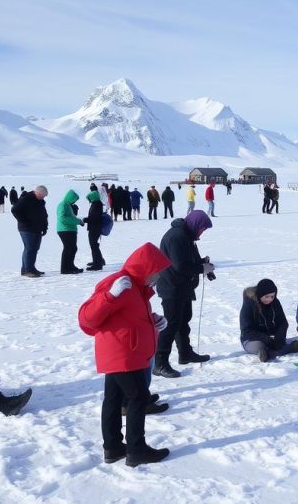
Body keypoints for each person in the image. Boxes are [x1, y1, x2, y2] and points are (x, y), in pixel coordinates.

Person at [78, 242, 172, 467]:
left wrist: (155, 322)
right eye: (155, 273)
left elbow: (130, 317)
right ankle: (136, 450)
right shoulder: (119, 283)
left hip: (126, 353)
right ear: (145, 268)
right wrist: (109, 296)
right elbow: (87, 319)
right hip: (123, 354)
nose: (157, 278)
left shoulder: (138, 288)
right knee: (138, 398)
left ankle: (113, 447)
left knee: (113, 399)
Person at [153, 211, 214, 377]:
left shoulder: (188, 236)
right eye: (202, 229)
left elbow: (189, 261)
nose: (202, 232)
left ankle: (185, 353)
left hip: (183, 287)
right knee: (171, 324)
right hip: (171, 287)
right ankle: (160, 363)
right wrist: (201, 269)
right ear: (195, 224)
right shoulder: (176, 237)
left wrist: (203, 263)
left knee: (183, 321)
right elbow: (180, 266)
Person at [240, 279, 298, 361]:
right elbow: (246, 331)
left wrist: (279, 336)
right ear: (260, 295)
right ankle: (288, 349)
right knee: (261, 346)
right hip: (251, 339)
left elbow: (283, 323)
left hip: (271, 337)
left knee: (278, 343)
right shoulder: (249, 305)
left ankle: (269, 353)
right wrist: (265, 338)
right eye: (266, 296)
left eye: (272, 296)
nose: (269, 299)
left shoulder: (275, 302)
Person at [11, 185, 49, 277]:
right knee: (30, 248)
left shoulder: (40, 201)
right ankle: (28, 270)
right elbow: (14, 210)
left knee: (34, 248)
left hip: (37, 228)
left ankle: (29, 268)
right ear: (38, 193)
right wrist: (24, 222)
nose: (44, 197)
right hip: (27, 229)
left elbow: (43, 214)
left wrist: (44, 227)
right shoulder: (26, 199)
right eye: (43, 195)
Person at [56, 189, 86, 275]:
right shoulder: (63, 205)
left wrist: (78, 221)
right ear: (70, 198)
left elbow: (70, 217)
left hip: (70, 230)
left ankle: (70, 266)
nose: (74, 202)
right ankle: (65, 268)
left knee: (72, 248)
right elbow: (63, 219)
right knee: (69, 248)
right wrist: (77, 221)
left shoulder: (67, 205)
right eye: (74, 200)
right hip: (65, 230)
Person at [83, 189, 106, 271]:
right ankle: (99, 260)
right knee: (94, 245)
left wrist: (85, 220)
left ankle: (97, 264)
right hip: (95, 227)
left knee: (93, 245)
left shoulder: (96, 205)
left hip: (95, 228)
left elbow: (95, 218)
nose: (89, 200)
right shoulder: (96, 204)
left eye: (89, 198)